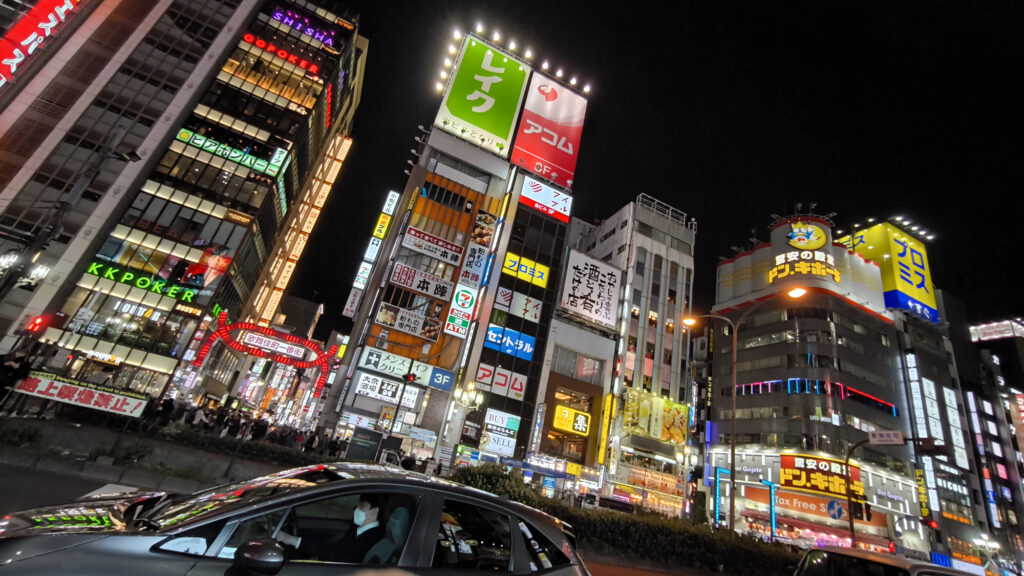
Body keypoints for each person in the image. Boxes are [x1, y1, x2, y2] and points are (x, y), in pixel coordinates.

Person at [330, 494, 384, 563]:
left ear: (374, 511)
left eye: (362, 506)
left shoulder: (375, 539)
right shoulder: (355, 527)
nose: (356, 509)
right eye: (358, 506)